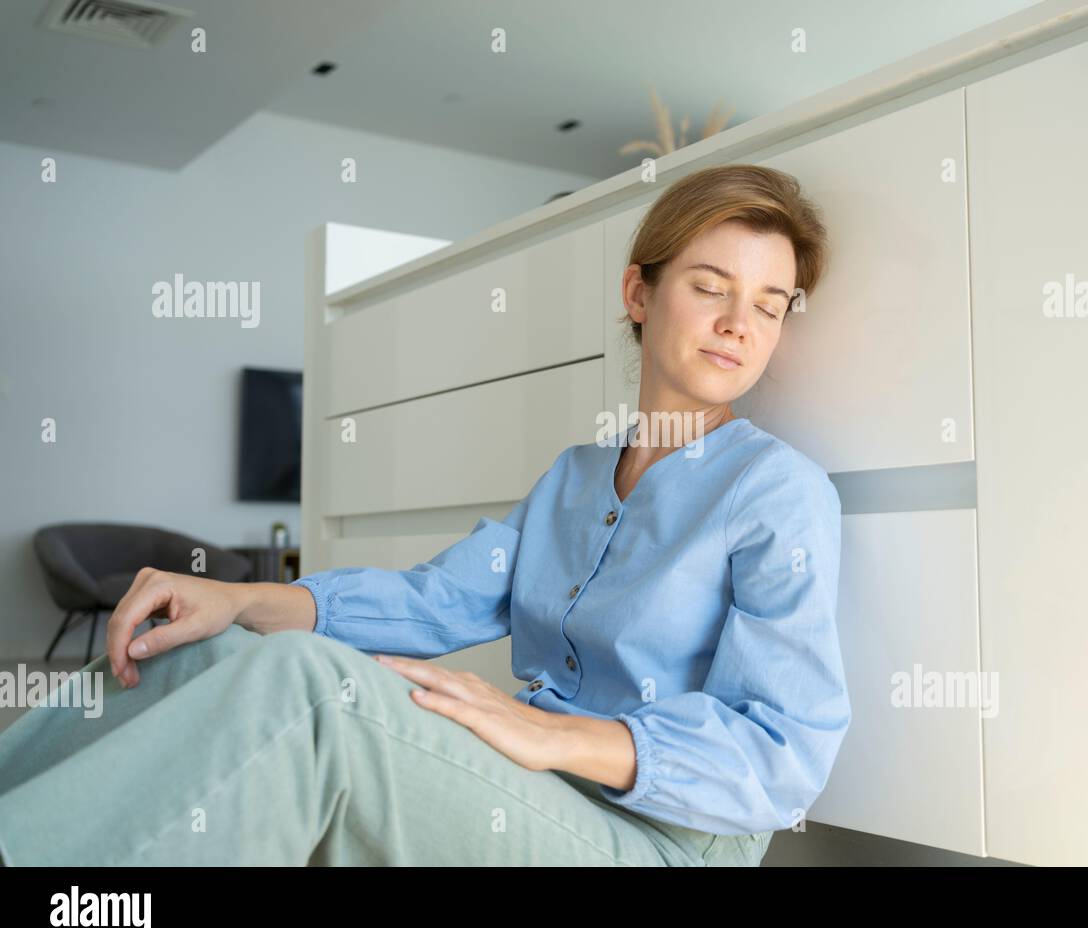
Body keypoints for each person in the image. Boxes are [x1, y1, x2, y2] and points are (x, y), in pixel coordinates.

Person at [0, 163, 850, 866]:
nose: (740, 325)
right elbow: (432, 602)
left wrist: (555, 736)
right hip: (540, 788)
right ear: (640, 292)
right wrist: (237, 599)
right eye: (711, 287)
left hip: (657, 840)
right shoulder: (576, 478)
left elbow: (785, 753)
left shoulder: (778, 493)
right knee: (212, 647)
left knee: (310, 691)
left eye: (770, 306)